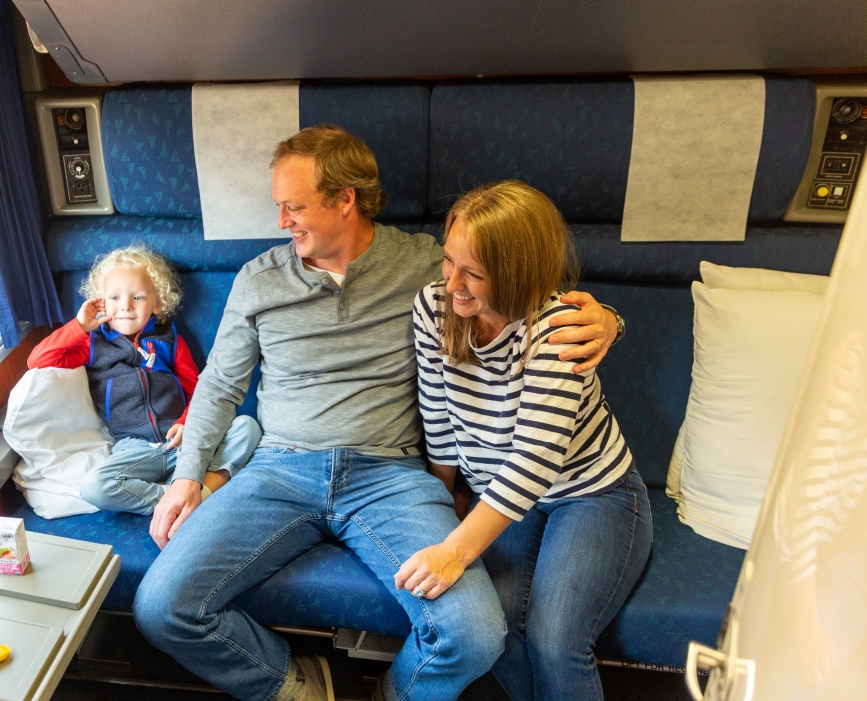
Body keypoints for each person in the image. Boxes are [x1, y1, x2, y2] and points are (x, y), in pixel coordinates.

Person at [133, 125, 622, 701]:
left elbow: (521, 287)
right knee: (161, 607)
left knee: (474, 635)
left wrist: (608, 319)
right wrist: (188, 476)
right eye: (278, 207)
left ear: (345, 199)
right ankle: (298, 688)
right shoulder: (259, 280)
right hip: (279, 471)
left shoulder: (431, 268)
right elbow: (218, 386)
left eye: (294, 206)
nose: (281, 221)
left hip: (390, 476)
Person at [403, 180, 652, 701]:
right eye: (449, 262)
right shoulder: (434, 307)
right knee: (495, 634)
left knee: (555, 640)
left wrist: (455, 549)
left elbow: (533, 460)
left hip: (592, 493)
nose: (453, 284)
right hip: (503, 497)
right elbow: (438, 411)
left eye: (474, 273)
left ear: (517, 273)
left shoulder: (557, 326)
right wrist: (445, 495)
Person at [26, 244, 262, 515]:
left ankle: (201, 491)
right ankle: (171, 499)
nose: (125, 306)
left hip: (186, 443)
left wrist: (188, 423)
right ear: (100, 302)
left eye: (137, 297)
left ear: (157, 303)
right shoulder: (92, 343)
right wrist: (79, 326)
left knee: (247, 426)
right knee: (94, 486)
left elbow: (198, 390)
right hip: (135, 450)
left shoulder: (171, 340)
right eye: (113, 297)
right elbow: (38, 359)